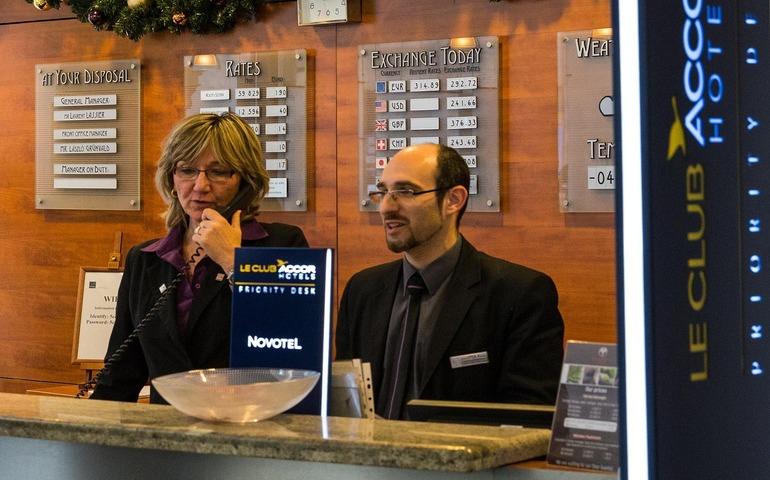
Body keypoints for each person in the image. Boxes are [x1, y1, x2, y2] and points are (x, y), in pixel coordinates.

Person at [91, 113, 308, 404]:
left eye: (218, 172)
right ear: (171, 177)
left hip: (250, 428)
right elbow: (120, 376)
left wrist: (234, 262)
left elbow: (289, 346)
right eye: (187, 170)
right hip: (167, 436)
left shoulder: (283, 245)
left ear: (245, 181)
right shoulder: (146, 260)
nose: (200, 185)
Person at [336, 143, 564, 419]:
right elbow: (345, 403)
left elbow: (530, 416)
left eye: (405, 192)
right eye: (383, 192)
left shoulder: (519, 295)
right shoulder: (362, 290)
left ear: (453, 200)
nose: (386, 207)